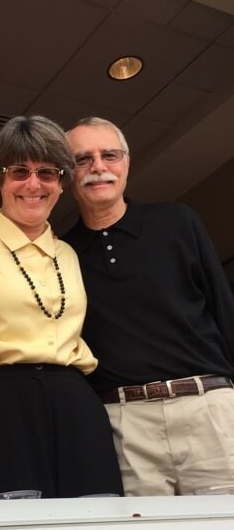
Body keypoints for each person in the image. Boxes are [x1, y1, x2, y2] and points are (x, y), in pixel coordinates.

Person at [0, 115, 123, 499]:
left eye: (48, 173)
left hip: (76, 403)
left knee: (95, 528)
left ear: (60, 184)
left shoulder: (69, 253)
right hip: (0, 407)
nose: (33, 184)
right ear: (0, 180)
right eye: (19, 171)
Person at [62, 116, 234, 496]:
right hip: (124, 423)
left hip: (208, 409)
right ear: (67, 173)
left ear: (126, 162)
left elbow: (224, 309)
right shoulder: (61, 253)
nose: (98, 167)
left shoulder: (176, 221)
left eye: (109, 155)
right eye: (83, 159)